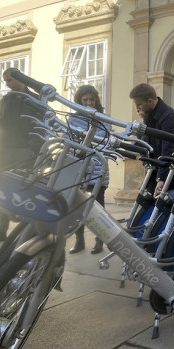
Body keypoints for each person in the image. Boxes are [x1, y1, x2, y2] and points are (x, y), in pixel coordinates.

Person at [0, 68, 45, 245]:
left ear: (21, 79)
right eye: (5, 81)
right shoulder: (6, 99)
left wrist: (35, 147)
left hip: (27, 149)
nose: (7, 84)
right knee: (2, 187)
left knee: (25, 188)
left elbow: (41, 124)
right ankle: (1, 229)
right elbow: (5, 126)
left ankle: (25, 230)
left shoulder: (36, 99)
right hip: (6, 148)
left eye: (10, 80)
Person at [67, 85, 111, 254]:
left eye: (91, 99)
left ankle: (100, 240)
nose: (89, 103)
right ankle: (79, 240)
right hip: (79, 168)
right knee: (77, 205)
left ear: (96, 100)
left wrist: (85, 141)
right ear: (79, 101)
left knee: (98, 206)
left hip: (98, 168)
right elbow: (68, 141)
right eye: (85, 100)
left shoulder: (104, 119)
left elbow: (105, 142)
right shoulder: (72, 119)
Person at [129, 83, 174, 195]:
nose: (137, 109)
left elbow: (168, 148)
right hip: (156, 169)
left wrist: (161, 178)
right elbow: (146, 142)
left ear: (150, 101)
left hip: (173, 171)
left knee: (165, 209)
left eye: (139, 105)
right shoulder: (148, 115)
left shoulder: (169, 116)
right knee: (146, 202)